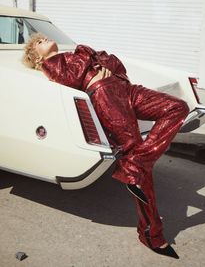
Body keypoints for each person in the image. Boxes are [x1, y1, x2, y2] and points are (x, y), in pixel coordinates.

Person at [22, 33, 190, 259]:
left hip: (127, 89)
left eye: (43, 38)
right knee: (135, 153)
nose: (44, 40)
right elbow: (72, 77)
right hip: (105, 93)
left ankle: (135, 165)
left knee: (177, 107)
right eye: (39, 43)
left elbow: (117, 64)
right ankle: (152, 235)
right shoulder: (52, 64)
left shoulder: (73, 54)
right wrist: (95, 62)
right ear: (37, 58)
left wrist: (101, 64)